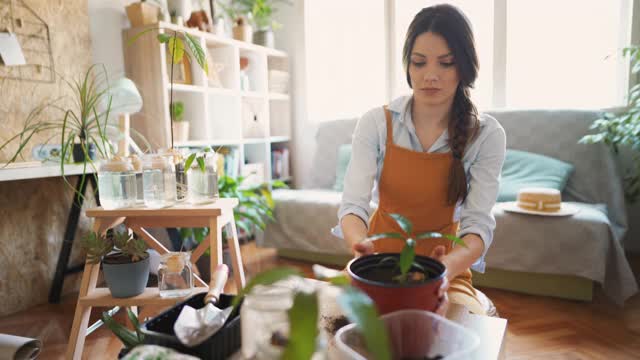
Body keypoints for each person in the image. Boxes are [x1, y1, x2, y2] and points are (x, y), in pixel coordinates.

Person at [333, 4, 506, 315]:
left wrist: (447, 266)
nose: (430, 76)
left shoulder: (486, 135)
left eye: (446, 63)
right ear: (408, 67)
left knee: (457, 336)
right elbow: (353, 206)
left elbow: (477, 225)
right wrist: (360, 244)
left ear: (464, 67)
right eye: (419, 62)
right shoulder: (375, 122)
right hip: (377, 268)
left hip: (445, 274)